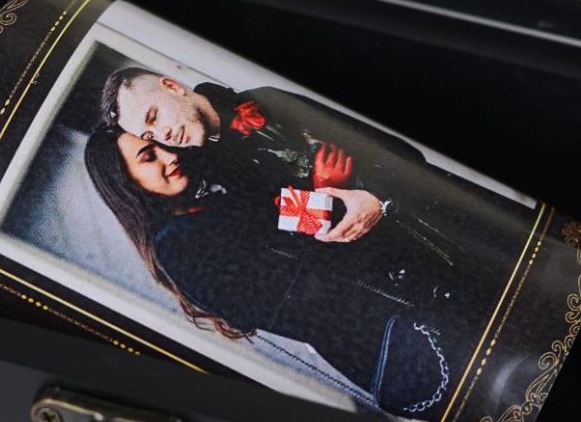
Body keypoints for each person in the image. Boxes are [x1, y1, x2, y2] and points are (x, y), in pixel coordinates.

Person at [84, 126, 487, 419]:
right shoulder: (176, 246)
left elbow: (286, 220)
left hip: (410, 308)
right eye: (148, 157)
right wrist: (320, 195)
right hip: (389, 341)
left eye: (161, 145)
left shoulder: (208, 203)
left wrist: (323, 191)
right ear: (126, 183)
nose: (169, 156)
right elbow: (296, 302)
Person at [100, 67, 534, 278]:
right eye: (148, 133)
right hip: (410, 264)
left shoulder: (266, 100)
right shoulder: (211, 178)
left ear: (172, 86)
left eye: (155, 115)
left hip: (450, 208)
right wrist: (327, 192)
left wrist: (374, 194)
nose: (162, 134)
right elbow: (293, 230)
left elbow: (391, 147)